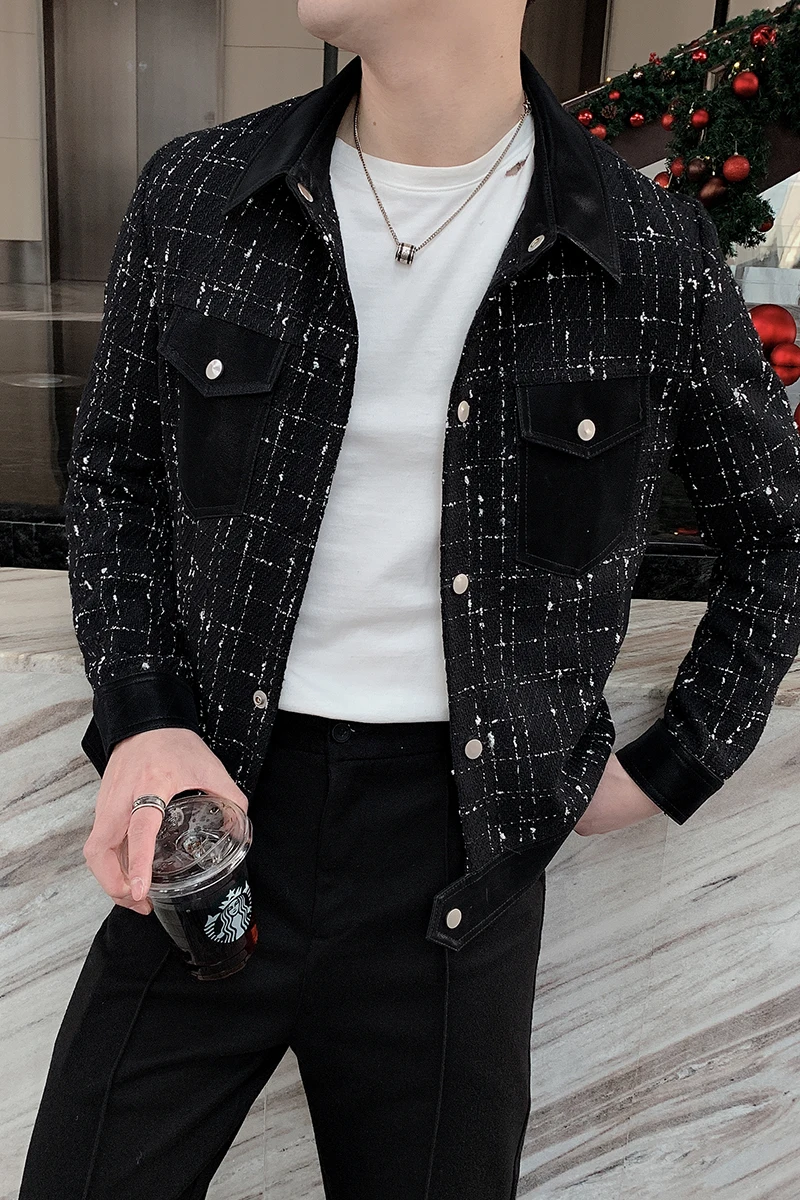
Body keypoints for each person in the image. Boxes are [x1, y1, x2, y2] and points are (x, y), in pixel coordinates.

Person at [19, 0, 800, 1196]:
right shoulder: (203, 192)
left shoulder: (640, 248)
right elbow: (116, 480)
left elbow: (774, 534)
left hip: (458, 860)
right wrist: (144, 718)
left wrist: (671, 765)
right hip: (207, 814)